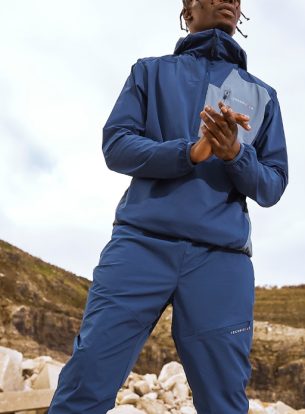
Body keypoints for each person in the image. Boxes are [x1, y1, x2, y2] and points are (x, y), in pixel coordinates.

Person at [48, 0, 289, 413]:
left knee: (224, 401)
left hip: (221, 258)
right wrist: (190, 152)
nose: (230, 0)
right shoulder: (149, 72)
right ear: (187, 10)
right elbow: (117, 145)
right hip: (140, 244)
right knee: (87, 376)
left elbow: (273, 184)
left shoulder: (263, 95)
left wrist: (235, 154)